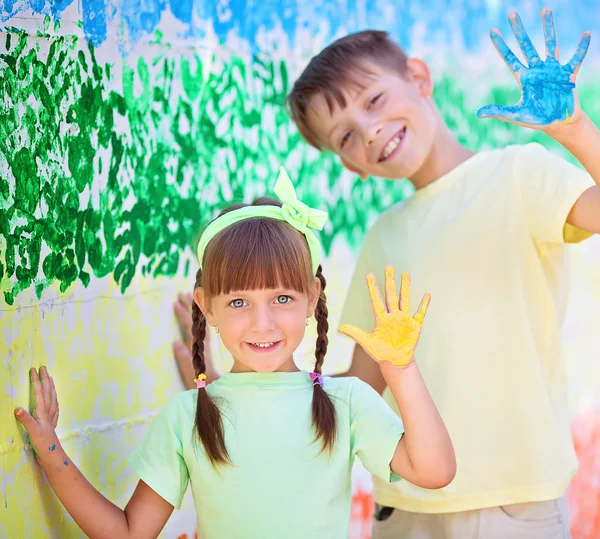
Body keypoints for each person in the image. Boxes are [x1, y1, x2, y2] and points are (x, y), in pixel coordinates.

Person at [282, 8, 600, 538]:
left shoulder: (520, 173)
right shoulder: (383, 238)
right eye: (345, 137)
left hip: (515, 504)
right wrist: (249, 389)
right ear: (351, 165)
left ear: (420, 77)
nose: (370, 130)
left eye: (375, 100)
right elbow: (362, 384)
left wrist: (575, 128)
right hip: (404, 508)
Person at [14, 168, 455, 539]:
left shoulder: (348, 402)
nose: (262, 323)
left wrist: (400, 368)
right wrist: (50, 447)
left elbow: (434, 471)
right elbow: (129, 532)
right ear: (207, 306)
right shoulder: (188, 414)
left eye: (282, 298)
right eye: (239, 302)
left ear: (311, 295)